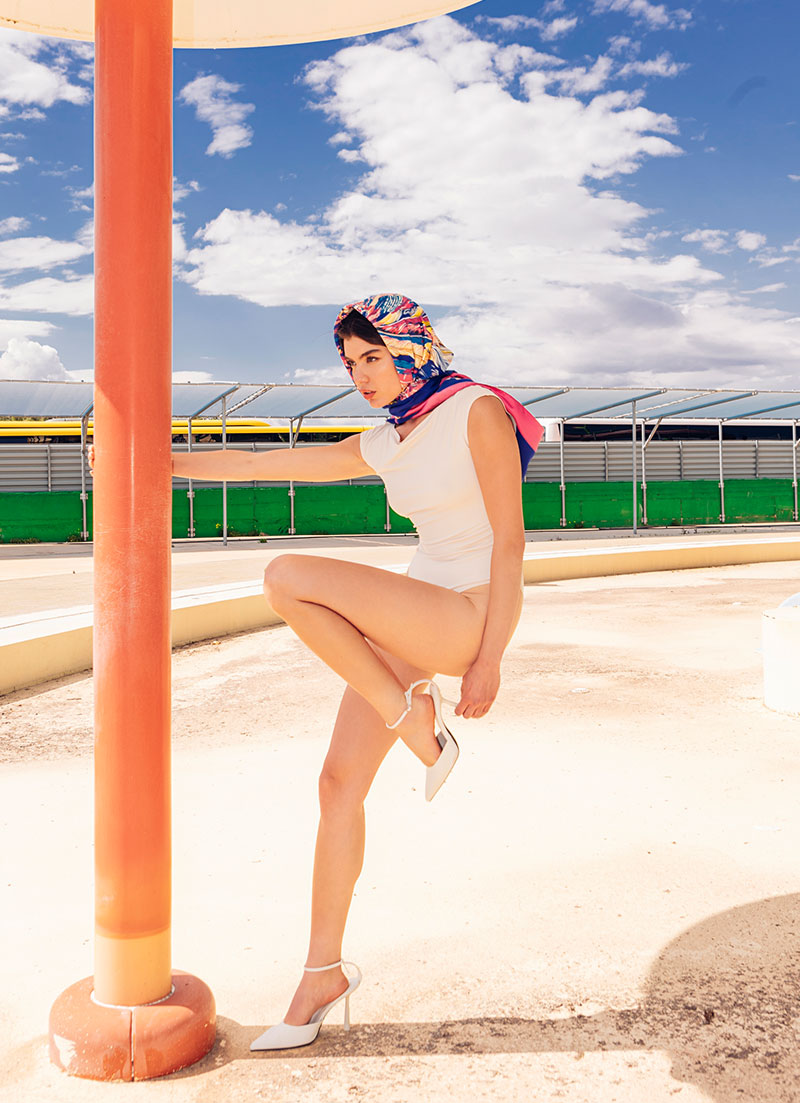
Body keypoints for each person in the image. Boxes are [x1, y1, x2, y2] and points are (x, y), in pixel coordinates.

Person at [173, 293, 543, 1050]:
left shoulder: (475, 411)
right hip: (419, 604)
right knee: (337, 784)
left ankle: (414, 720)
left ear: (411, 348)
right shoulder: (385, 439)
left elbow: (510, 542)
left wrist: (491, 658)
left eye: (373, 357)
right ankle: (322, 973)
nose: (362, 375)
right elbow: (262, 463)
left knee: (286, 576)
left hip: (469, 612)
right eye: (350, 364)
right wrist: (162, 462)